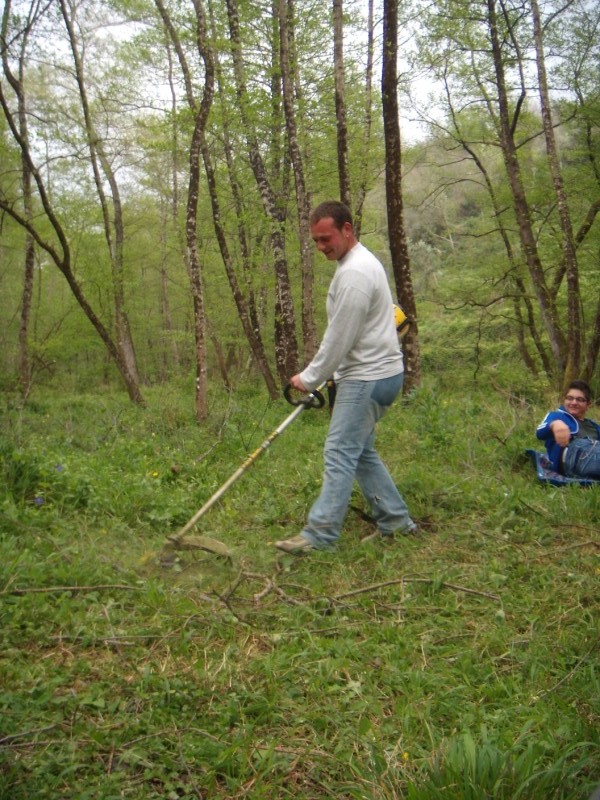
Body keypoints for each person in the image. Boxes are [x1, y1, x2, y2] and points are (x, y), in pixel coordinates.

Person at [274, 200, 417, 554]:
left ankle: (319, 536)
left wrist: (309, 377)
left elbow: (340, 338)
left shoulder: (354, 274)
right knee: (360, 452)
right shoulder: (361, 262)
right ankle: (396, 521)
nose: (322, 247)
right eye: (316, 241)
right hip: (381, 374)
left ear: (347, 229)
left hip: (367, 379)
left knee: (339, 451)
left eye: (327, 239)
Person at [536, 380, 600, 479]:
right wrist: (555, 424)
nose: (574, 402)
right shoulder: (557, 416)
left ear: (588, 404)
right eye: (570, 398)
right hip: (570, 462)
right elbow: (540, 433)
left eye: (579, 399)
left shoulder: (594, 427)